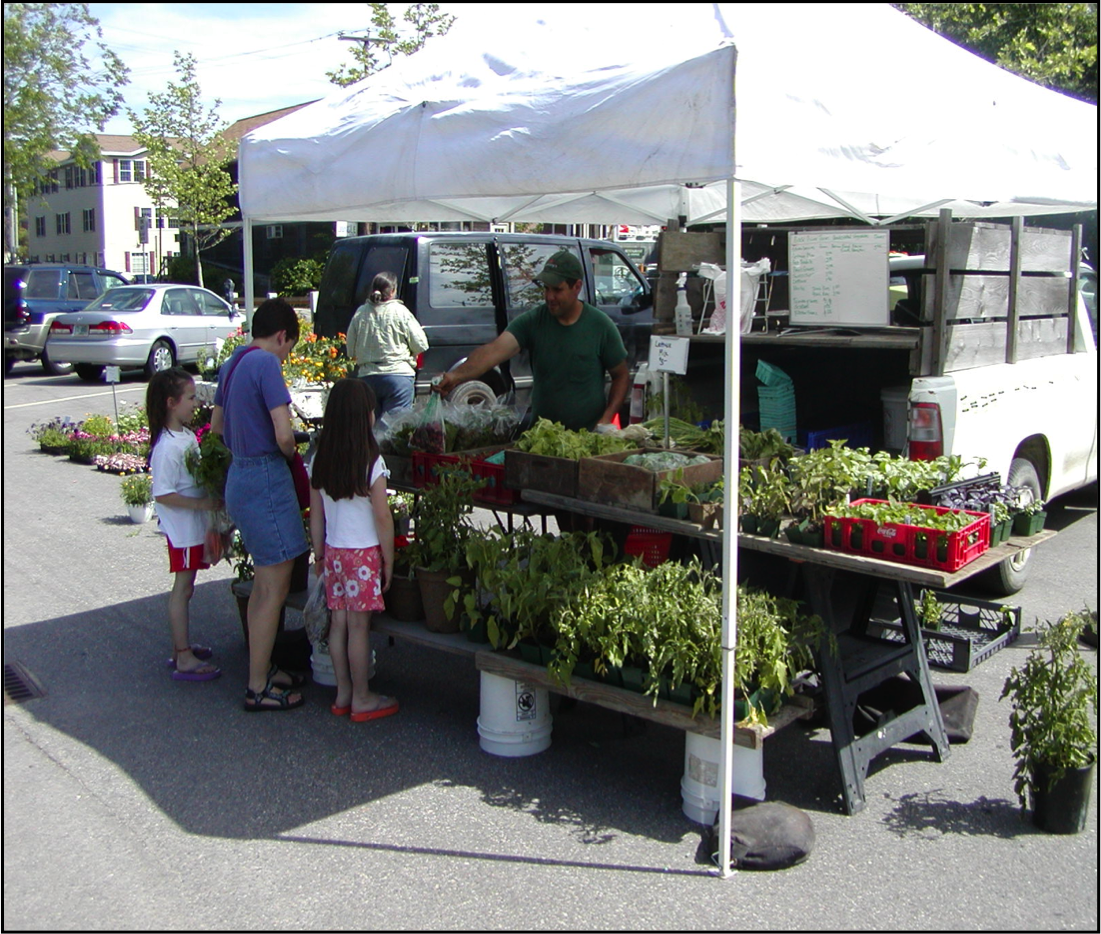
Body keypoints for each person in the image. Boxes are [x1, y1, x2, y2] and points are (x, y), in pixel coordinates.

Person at [211, 297, 308, 712]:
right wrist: (291, 456)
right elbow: (284, 436)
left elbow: (215, 426)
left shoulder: (234, 360)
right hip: (266, 476)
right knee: (274, 586)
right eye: (289, 348)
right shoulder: (266, 365)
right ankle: (257, 685)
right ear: (282, 335)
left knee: (263, 587)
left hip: (239, 475)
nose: (286, 358)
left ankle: (262, 667)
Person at [433, 250, 630, 431]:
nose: (549, 296)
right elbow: (493, 351)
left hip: (588, 436)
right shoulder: (534, 321)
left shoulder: (600, 325)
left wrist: (606, 418)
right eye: (546, 289)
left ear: (576, 287)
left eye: (557, 289)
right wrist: (456, 376)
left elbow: (621, 375)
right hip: (543, 435)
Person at [309, 379, 399, 722]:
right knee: (359, 629)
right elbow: (382, 516)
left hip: (334, 553)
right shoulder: (371, 462)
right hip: (362, 554)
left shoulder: (319, 458)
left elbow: (316, 514)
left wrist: (319, 554)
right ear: (366, 417)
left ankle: (343, 691)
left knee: (338, 625)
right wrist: (388, 559)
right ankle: (363, 697)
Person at [147, 367, 222, 682]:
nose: (195, 403)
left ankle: (183, 648)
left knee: (187, 587)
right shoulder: (167, 447)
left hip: (191, 526)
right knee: (183, 588)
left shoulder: (185, 435)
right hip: (182, 528)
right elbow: (162, 493)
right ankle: (183, 656)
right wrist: (201, 504)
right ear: (170, 402)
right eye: (190, 398)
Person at [345, 271, 428, 423]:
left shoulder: (361, 313)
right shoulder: (400, 312)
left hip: (367, 377)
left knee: (369, 428)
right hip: (398, 377)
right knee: (395, 428)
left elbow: (350, 350)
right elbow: (421, 344)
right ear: (392, 291)